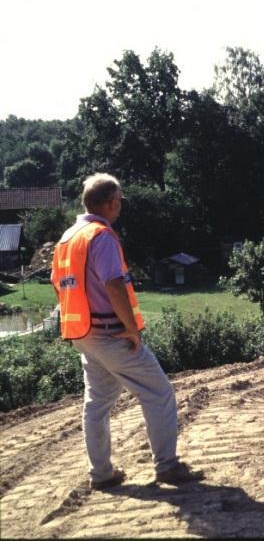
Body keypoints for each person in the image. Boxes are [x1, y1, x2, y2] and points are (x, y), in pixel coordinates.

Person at [51, 173, 203, 490]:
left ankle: (102, 474)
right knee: (159, 393)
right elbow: (114, 284)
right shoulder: (101, 236)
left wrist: (81, 327)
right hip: (110, 333)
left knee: (97, 403)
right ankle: (167, 466)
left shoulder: (68, 238)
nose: (120, 205)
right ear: (110, 202)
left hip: (84, 335)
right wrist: (132, 330)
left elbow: (59, 287)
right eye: (119, 199)